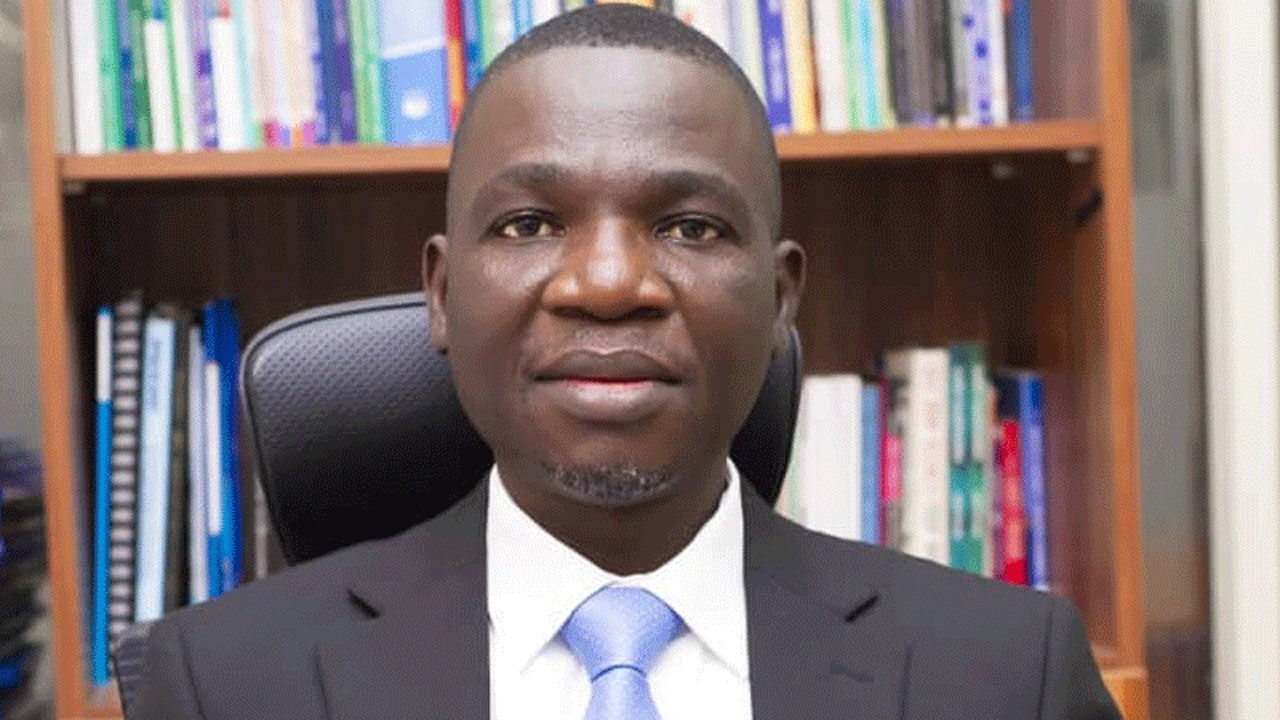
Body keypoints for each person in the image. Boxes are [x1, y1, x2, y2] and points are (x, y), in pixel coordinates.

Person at [133, 6, 1120, 719]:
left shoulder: (1006, 677)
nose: (607, 283)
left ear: (780, 299)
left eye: (689, 227)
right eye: (529, 223)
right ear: (442, 293)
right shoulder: (219, 687)